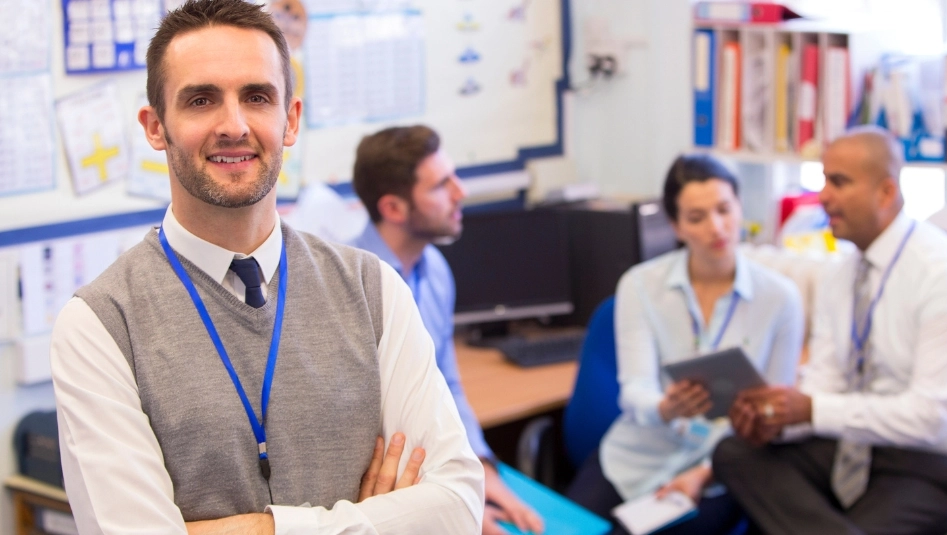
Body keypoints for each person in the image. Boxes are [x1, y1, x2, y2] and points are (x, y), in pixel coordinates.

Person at [49, 1, 483, 533]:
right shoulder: (99, 325)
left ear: (291, 119)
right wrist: (372, 520)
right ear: (155, 127)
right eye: (201, 100)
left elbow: (458, 507)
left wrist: (259, 527)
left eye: (257, 97)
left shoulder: (374, 291)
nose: (233, 126)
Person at [713, 126, 947, 534]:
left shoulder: (946, 275)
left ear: (886, 194)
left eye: (839, 182)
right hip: (864, 447)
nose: (823, 197)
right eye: (823, 181)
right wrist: (778, 418)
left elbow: (930, 418)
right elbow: (826, 383)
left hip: (946, 463)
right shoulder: (841, 275)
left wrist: (812, 409)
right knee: (735, 453)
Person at [566, 154, 805, 534]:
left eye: (725, 210)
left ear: (740, 208)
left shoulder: (780, 299)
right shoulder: (641, 286)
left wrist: (706, 474)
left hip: (719, 470)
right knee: (567, 528)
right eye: (697, 218)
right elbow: (634, 391)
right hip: (635, 457)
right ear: (676, 226)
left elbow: (774, 417)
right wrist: (665, 407)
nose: (717, 227)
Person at [350, 125, 546, 535]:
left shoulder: (435, 269)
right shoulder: (350, 285)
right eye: (442, 185)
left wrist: (482, 470)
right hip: (381, 492)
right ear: (394, 208)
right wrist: (451, 503)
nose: (461, 193)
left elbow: (447, 383)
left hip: (434, 470)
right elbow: (366, 425)